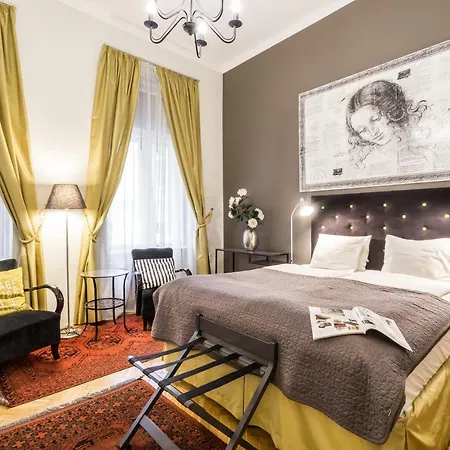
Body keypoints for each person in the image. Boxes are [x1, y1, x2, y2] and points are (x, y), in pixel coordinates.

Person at [346, 80, 435, 173]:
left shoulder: (425, 153)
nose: (373, 132)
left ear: (392, 112)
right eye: (362, 130)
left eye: (375, 119)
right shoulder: (366, 164)